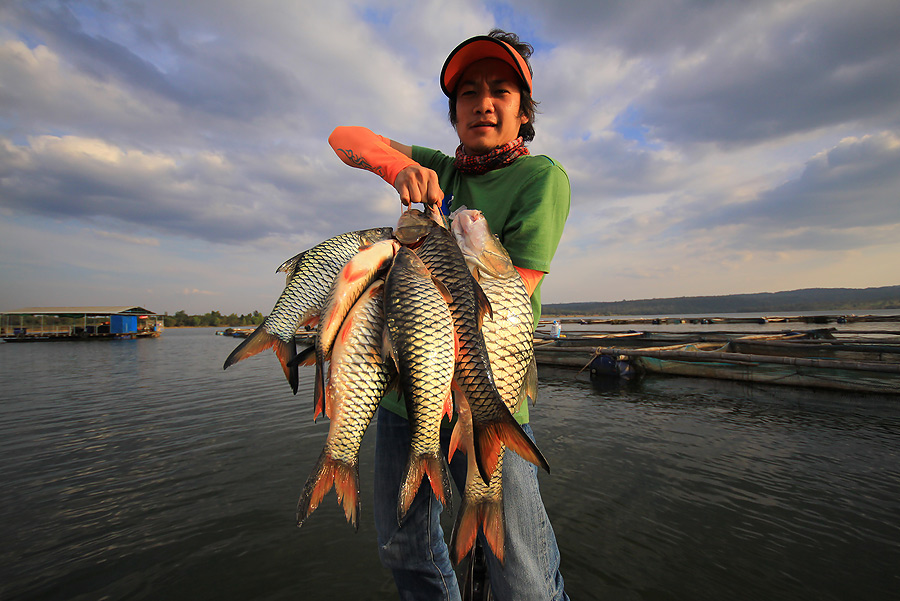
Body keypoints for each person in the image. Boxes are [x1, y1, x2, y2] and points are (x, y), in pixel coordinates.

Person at [328, 29, 570, 601]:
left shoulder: (541, 179)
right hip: (401, 392)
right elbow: (344, 138)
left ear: (523, 112)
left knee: (522, 572)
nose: (483, 102)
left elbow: (505, 299)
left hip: (489, 398)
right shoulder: (441, 169)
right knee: (403, 548)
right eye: (468, 92)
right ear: (454, 110)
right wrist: (398, 171)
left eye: (501, 91)